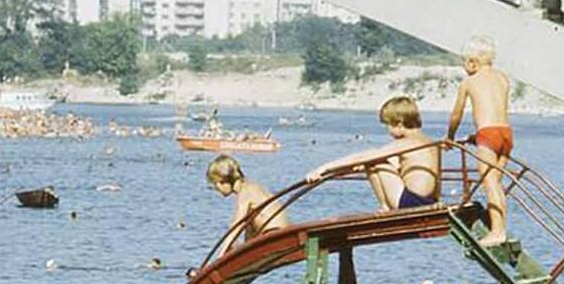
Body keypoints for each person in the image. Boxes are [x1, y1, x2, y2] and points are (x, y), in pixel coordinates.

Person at [306, 94, 440, 212]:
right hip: (429, 201)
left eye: (388, 125)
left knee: (372, 161)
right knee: (375, 161)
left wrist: (323, 169)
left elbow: (364, 157)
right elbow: (404, 168)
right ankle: (387, 205)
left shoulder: (406, 143)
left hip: (410, 202)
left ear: (399, 125)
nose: (388, 131)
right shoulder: (429, 142)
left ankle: (385, 207)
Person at [444, 34, 514, 244]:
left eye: (465, 62)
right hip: (505, 133)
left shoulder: (469, 82)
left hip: (488, 135)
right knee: (496, 184)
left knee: (489, 182)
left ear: (473, 62)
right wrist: (475, 137)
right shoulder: (502, 78)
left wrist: (450, 137)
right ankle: (499, 226)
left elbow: (456, 114)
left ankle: (497, 232)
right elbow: (496, 111)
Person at [203, 153, 280, 253]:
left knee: (232, 246)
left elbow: (237, 226)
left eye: (215, 184)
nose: (216, 189)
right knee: (236, 244)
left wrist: (221, 254)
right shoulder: (251, 186)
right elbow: (248, 227)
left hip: (275, 235)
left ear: (223, 180)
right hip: (276, 233)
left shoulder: (245, 192)